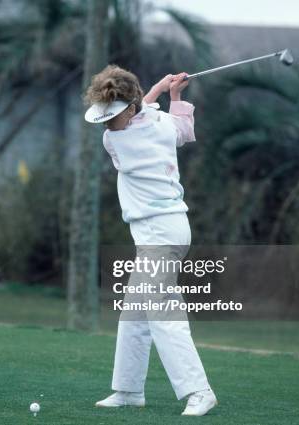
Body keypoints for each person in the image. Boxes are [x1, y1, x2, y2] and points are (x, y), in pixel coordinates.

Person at [85, 65, 217, 416]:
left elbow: (146, 110)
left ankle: (198, 391)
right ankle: (128, 390)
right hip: (164, 230)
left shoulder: (117, 140)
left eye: (112, 115)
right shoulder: (158, 124)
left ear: (130, 109)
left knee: (162, 311)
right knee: (135, 313)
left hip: (161, 231)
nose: (106, 124)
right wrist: (172, 95)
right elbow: (184, 131)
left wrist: (160, 90)